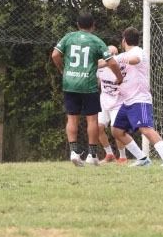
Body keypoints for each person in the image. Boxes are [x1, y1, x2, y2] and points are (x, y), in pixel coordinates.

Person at [52, 11, 121, 166]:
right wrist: (119, 78)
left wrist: (63, 70)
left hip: (70, 83)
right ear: (93, 25)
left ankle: (74, 152)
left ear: (77, 25)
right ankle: (92, 154)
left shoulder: (69, 37)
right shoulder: (96, 41)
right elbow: (112, 62)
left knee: (72, 118)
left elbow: (55, 55)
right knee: (92, 119)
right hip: (88, 85)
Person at [109, 27, 163, 167]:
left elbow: (134, 60)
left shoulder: (137, 51)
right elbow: (110, 65)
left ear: (124, 40)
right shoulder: (123, 56)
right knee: (117, 131)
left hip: (139, 100)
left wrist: (118, 58)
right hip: (127, 102)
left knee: (145, 128)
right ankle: (143, 159)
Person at [96, 42, 125, 163]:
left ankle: (122, 157)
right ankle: (109, 155)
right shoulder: (100, 67)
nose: (112, 56)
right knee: (98, 128)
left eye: (115, 54)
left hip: (118, 102)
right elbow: (98, 83)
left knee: (116, 130)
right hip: (104, 102)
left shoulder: (122, 67)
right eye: (110, 53)